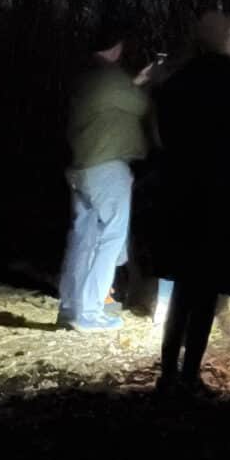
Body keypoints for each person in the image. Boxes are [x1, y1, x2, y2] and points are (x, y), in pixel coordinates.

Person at [154, 11, 230, 394]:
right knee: (205, 287)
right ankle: (188, 374)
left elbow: (164, 134)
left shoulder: (178, 80)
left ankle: (169, 372)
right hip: (218, 189)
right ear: (227, 38)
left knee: (186, 282)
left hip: (181, 187)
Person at [57, 27, 149, 332]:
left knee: (82, 238)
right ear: (116, 48)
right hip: (107, 167)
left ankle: (71, 306)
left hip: (80, 167)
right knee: (111, 239)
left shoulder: (84, 77)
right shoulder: (112, 77)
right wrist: (146, 83)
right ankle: (92, 312)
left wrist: (133, 83)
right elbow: (141, 106)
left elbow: (111, 103)